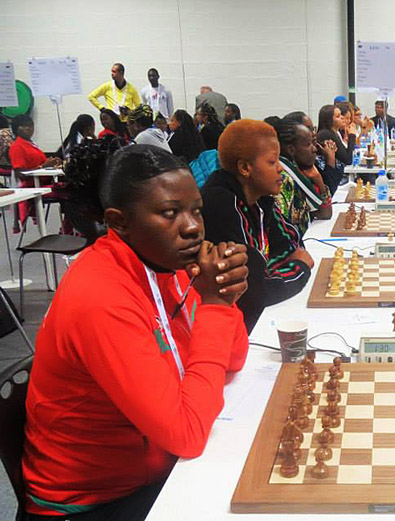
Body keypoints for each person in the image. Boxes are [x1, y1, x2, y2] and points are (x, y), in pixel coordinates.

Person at [23, 144, 250, 520]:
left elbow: (233, 358)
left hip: (157, 465)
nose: (192, 226)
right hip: (92, 503)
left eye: (196, 210)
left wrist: (225, 295)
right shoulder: (100, 296)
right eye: (169, 213)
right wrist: (213, 305)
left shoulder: (165, 262)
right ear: (120, 221)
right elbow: (188, 434)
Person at [202, 120, 313, 332]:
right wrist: (299, 269)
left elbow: (294, 245)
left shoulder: (261, 198)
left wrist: (269, 271)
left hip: (256, 319)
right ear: (245, 168)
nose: (280, 168)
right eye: (272, 162)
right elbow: (255, 291)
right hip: (236, 329)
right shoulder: (222, 205)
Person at [272, 116, 332, 236]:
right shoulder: (283, 178)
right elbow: (324, 213)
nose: (314, 149)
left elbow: (325, 214)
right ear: (291, 149)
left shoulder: (299, 170)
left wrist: (319, 181)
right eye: (308, 144)